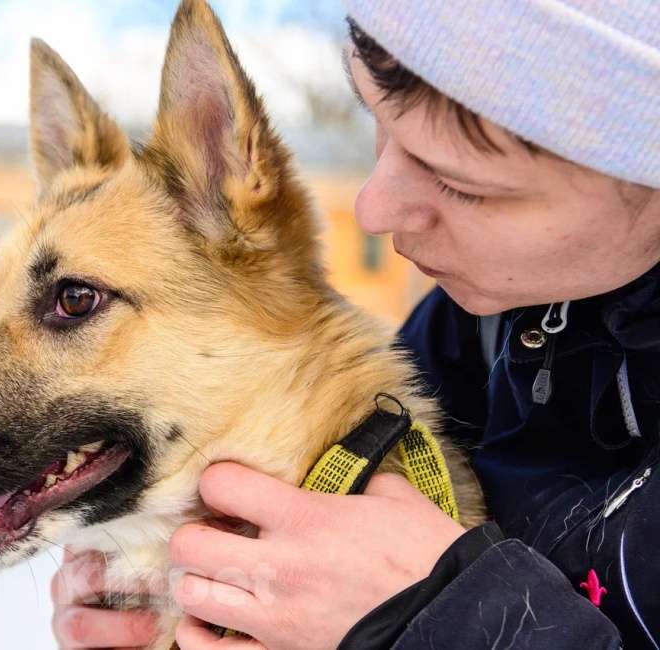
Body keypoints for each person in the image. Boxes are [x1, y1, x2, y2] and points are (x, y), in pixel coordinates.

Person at [51, 1, 660, 648]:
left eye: (462, 184)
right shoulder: (478, 329)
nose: (374, 207)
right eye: (380, 120)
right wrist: (176, 583)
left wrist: (441, 614)